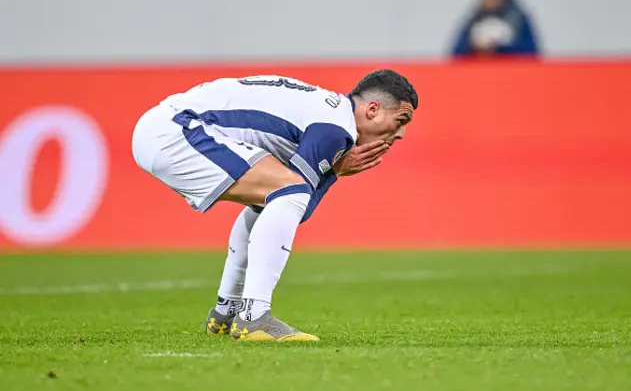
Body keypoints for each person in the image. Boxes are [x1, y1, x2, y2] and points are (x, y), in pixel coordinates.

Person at [131, 70, 418, 342]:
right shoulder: (336, 128)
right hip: (174, 132)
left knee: (272, 197)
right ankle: (253, 316)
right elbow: (299, 202)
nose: (401, 134)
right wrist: (335, 172)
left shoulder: (327, 111)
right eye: (401, 120)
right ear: (372, 110)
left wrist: (330, 171)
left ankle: (226, 313)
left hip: (163, 128)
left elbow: (287, 203)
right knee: (288, 190)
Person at [451, 0, 539, 58]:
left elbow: (531, 51)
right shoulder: (474, 20)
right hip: (480, 70)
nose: (491, 1)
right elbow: (456, 52)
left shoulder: (517, 20)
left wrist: (499, 49)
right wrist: (474, 47)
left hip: (511, 69)